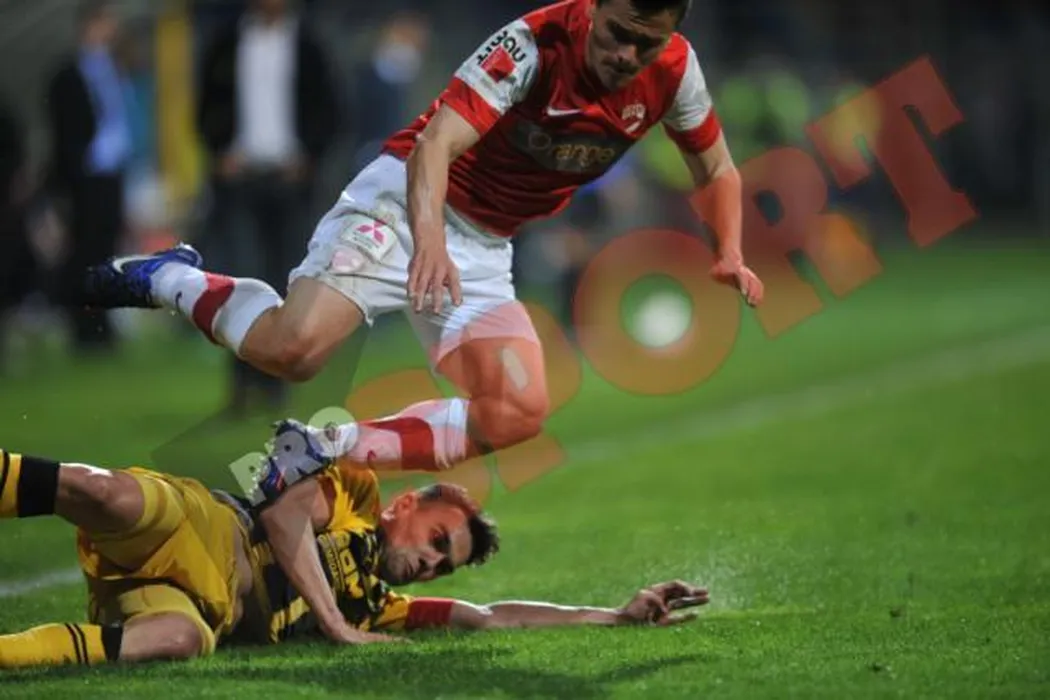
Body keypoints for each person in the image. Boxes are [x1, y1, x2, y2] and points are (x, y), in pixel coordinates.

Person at [82, 0, 765, 491]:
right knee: (294, 351)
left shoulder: (676, 71)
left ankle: (319, 450)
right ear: (593, 7)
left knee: (516, 412)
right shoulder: (532, 44)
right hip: (406, 203)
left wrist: (730, 250)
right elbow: (436, 143)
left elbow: (717, 168)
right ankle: (171, 277)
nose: (628, 55)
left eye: (646, 43)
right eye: (618, 34)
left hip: (486, 244)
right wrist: (429, 239)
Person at [0, 447, 708, 668]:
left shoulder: (384, 610)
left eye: (444, 564)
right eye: (437, 540)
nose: (433, 565)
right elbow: (280, 510)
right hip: (204, 526)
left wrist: (613, 616)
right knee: (101, 492)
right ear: (406, 506)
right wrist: (334, 624)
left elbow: (493, 617)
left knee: (178, 642)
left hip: (194, 604)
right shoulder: (355, 494)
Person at [48, 0, 132, 354]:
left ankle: (103, 323)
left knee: (107, 250)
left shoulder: (115, 68)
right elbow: (64, 130)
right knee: (85, 250)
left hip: (111, 175)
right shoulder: (68, 75)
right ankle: (82, 325)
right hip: (85, 179)